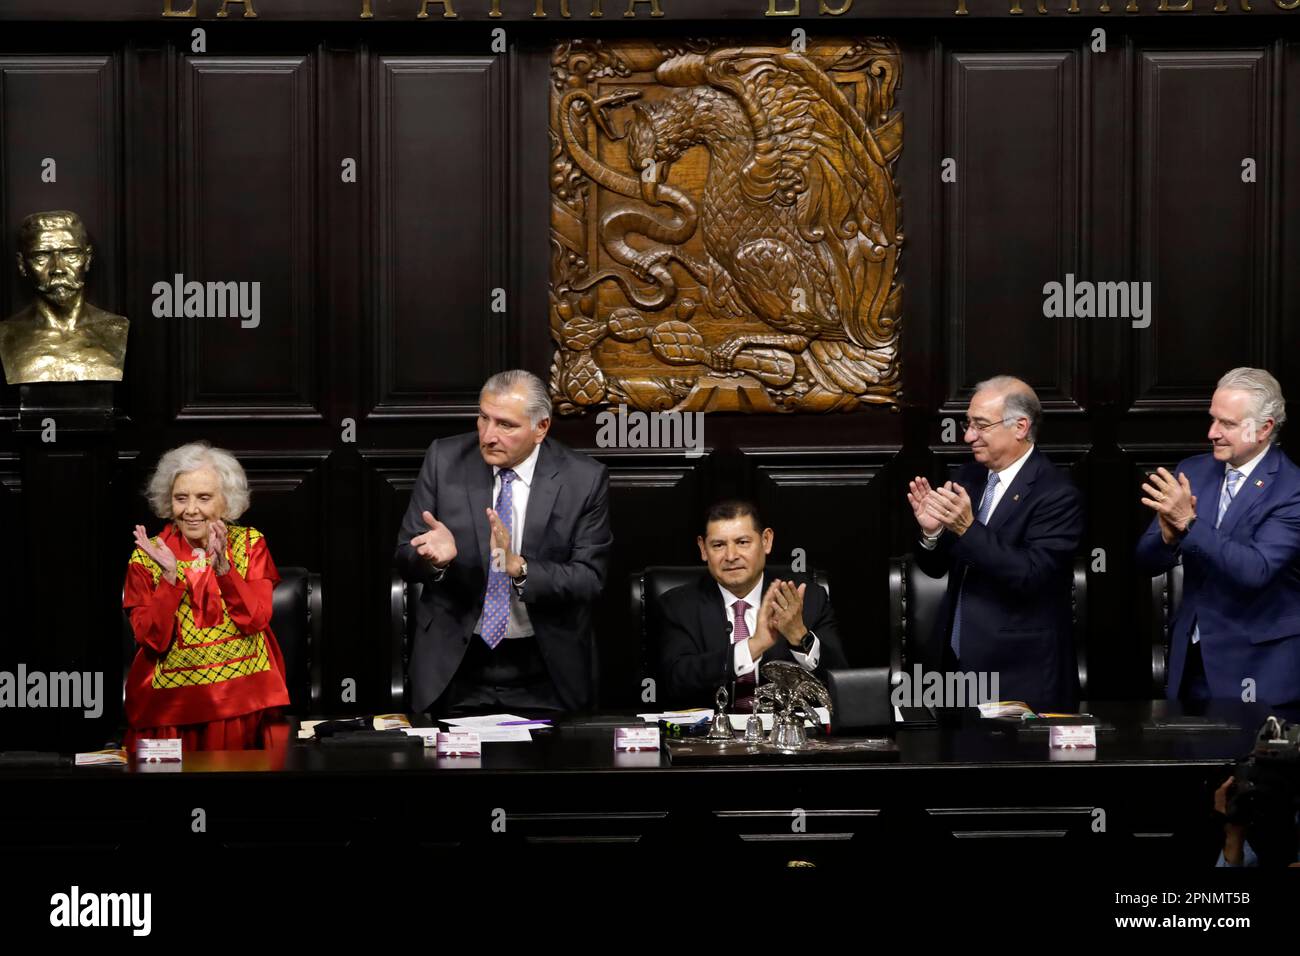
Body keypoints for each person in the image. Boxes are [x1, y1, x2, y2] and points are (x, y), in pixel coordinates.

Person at [394, 369, 612, 715]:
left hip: (545, 668)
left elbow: (589, 577)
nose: (488, 435)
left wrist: (521, 568)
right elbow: (405, 556)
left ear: (541, 428)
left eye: (505, 425)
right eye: (483, 418)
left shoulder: (582, 479)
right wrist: (435, 560)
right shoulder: (444, 460)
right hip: (456, 665)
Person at [906, 375, 1083, 710]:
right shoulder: (967, 478)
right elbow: (937, 567)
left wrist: (967, 529)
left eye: (981, 425)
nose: (968, 436)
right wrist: (932, 534)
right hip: (956, 667)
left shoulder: (1057, 494)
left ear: (1020, 426)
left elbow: (1031, 575)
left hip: (1019, 673)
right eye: (968, 424)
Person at [1136, 367, 1300, 706]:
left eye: (1228, 424)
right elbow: (1144, 561)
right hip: (1193, 660)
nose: (1212, 432)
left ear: (1264, 428)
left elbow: (1255, 570)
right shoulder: (1192, 472)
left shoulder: (1291, 489)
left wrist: (1189, 524)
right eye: (1213, 419)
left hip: (1259, 667)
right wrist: (1166, 537)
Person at [123, 442, 290, 751]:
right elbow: (152, 640)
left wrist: (225, 570)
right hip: (167, 712)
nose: (191, 510)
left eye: (204, 497)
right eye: (181, 498)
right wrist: (170, 581)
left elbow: (255, 620)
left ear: (225, 502)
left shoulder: (251, 544)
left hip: (241, 705)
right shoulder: (148, 556)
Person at [654, 499, 847, 711]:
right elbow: (675, 682)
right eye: (718, 545)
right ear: (703, 549)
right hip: (711, 738)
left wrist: (800, 637)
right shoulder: (679, 606)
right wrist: (752, 647)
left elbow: (839, 685)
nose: (731, 556)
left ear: (766, 541)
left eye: (742, 542)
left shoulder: (807, 598)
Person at [0, 210, 128, 383]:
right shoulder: (5, 336)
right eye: (41, 256)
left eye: (71, 254)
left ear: (87, 259)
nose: (58, 269)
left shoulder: (118, 331)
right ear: (22, 265)